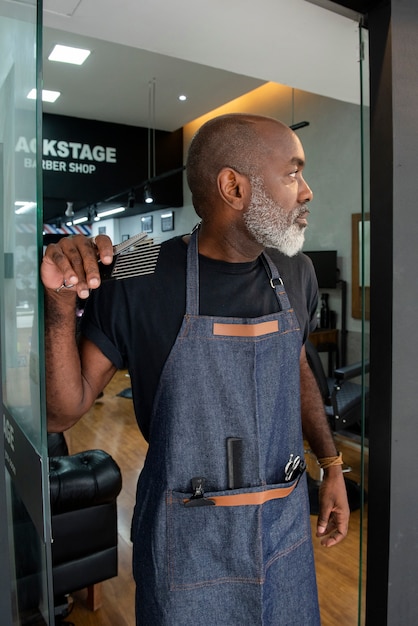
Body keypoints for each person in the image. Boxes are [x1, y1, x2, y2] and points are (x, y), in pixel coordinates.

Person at [41, 113, 349, 625]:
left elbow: (294, 367)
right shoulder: (138, 273)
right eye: (293, 172)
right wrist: (58, 306)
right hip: (184, 544)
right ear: (233, 186)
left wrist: (332, 464)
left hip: (282, 530)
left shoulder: (296, 271)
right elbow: (61, 413)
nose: (307, 191)